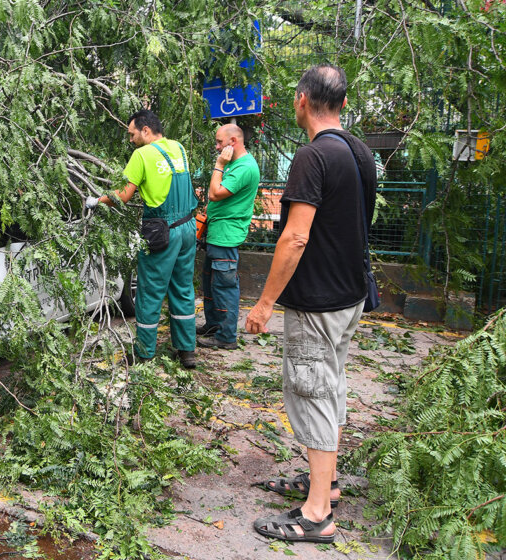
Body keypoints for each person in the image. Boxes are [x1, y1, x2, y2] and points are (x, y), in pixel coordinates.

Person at [244, 64, 376, 544]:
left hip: (319, 304)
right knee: (331, 387)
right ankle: (327, 484)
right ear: (341, 102)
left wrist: (263, 304)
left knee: (313, 394)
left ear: (302, 100)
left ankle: (317, 514)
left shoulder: (312, 156)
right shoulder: (360, 153)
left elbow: (295, 237)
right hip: (350, 297)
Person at [85, 110, 197, 368]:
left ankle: (145, 352)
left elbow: (122, 196)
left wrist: (97, 201)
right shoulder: (178, 148)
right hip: (188, 227)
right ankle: (187, 351)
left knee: (149, 291)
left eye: (132, 134)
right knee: (182, 288)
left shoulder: (142, 155)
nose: (131, 140)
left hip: (162, 232)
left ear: (146, 130)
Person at [196, 124, 260, 350]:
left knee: (224, 287)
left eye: (219, 142)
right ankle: (214, 326)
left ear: (233, 141)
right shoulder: (236, 164)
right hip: (217, 233)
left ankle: (226, 337)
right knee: (211, 284)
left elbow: (214, 194)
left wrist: (219, 165)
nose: (216, 147)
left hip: (226, 236)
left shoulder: (244, 167)